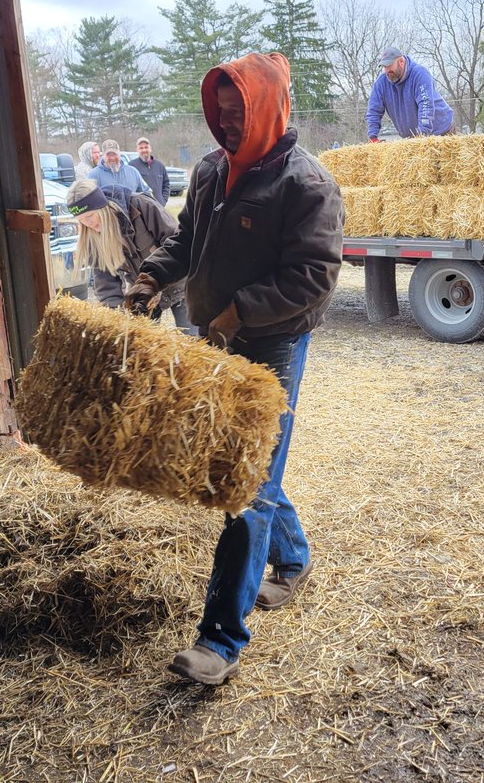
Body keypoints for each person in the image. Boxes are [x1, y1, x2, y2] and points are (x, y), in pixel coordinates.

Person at [123, 52, 344, 685]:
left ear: (268, 110)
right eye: (218, 112)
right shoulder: (212, 171)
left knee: (245, 485)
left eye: (237, 113)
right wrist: (152, 275)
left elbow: (314, 277)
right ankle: (294, 558)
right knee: (242, 465)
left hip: (270, 344)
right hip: (214, 333)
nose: (225, 124)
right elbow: (188, 237)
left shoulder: (306, 184)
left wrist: (238, 312)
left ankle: (220, 639)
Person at [63, 178, 194, 332]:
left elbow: (179, 247)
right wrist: (116, 319)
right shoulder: (93, 236)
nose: (88, 223)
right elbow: (106, 283)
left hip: (178, 284)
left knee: (192, 338)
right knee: (141, 345)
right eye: (81, 220)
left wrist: (159, 287)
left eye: (90, 215)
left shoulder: (141, 207)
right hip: (142, 295)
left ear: (101, 207)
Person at [366, 47, 455, 141]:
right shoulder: (381, 83)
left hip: (441, 132)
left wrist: (422, 135)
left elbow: (426, 104)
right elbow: (374, 110)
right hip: (411, 139)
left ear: (401, 61)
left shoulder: (419, 74)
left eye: (390, 65)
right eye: (385, 67)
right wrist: (373, 136)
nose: (387, 70)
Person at [88, 139, 152, 197]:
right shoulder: (93, 175)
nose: (112, 158)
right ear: (103, 156)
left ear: (119, 154)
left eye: (114, 154)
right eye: (108, 155)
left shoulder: (133, 172)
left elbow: (147, 192)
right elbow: (89, 199)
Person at [129, 136, 172, 206]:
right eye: (141, 148)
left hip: (159, 207)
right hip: (141, 208)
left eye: (146, 147)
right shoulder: (132, 166)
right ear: (137, 150)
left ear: (150, 148)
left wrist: (163, 200)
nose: (144, 150)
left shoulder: (160, 166)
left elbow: (166, 184)